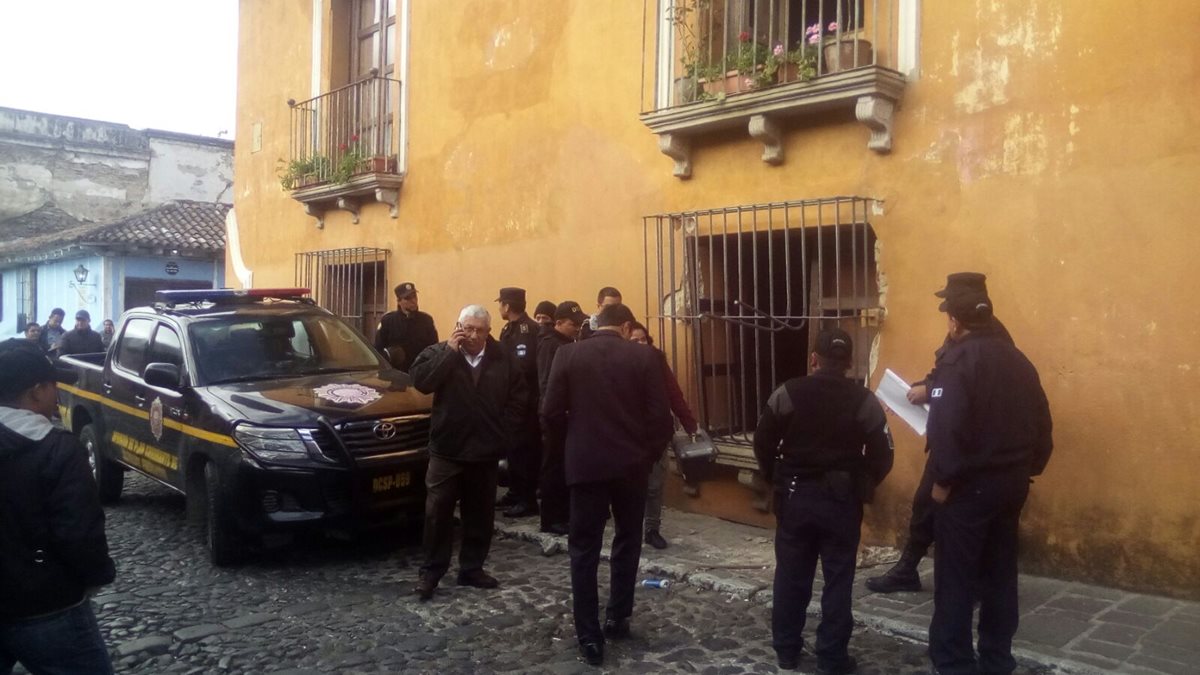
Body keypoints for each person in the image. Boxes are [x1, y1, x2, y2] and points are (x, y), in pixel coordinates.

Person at [924, 281, 1053, 675]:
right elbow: (1043, 424)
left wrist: (943, 480)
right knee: (1000, 574)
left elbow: (946, 429)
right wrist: (1027, 468)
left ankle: (954, 662)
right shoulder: (1020, 361)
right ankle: (997, 658)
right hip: (1012, 484)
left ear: (955, 322)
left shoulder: (958, 362)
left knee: (956, 578)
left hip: (969, 487)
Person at [753, 328, 894, 674]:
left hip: (795, 497)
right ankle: (832, 656)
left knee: (791, 576)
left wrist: (774, 478)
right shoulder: (863, 400)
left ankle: (787, 650)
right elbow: (883, 454)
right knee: (838, 580)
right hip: (841, 501)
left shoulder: (788, 392)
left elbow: (762, 442)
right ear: (849, 362)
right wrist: (864, 483)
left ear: (813, 359)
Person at [542, 303, 674, 666]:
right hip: (632, 466)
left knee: (584, 549)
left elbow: (550, 413)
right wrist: (646, 455)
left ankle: (589, 635)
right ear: (627, 326)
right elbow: (661, 420)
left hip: (585, 464)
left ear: (597, 324)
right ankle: (618, 616)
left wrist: (573, 445)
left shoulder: (568, 355)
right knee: (628, 541)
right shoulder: (645, 357)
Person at [866, 273, 1015, 594]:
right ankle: (909, 568)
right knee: (925, 504)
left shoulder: (990, 337)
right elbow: (947, 374)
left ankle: (972, 582)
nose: (946, 310)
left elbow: (975, 381)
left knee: (967, 515)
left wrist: (930, 388)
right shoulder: (962, 333)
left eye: (950, 301)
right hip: (951, 440)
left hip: (972, 445)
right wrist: (925, 388)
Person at [0, 338, 116, 674]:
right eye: (54, 387)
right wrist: (96, 575)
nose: (58, 395)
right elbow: (79, 533)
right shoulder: (57, 450)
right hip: (46, 606)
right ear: (36, 392)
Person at [408, 305, 527, 602]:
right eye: (468, 328)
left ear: (488, 332)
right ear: (458, 327)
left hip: (485, 450)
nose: (473, 335)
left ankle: (472, 568)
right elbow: (422, 382)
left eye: (480, 330)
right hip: (447, 449)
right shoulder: (439, 352)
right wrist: (449, 352)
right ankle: (431, 572)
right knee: (437, 513)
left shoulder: (503, 358)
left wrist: (503, 434)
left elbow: (519, 399)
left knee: (480, 513)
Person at [628, 321, 699, 550]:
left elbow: (674, 393)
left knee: (655, 485)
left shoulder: (657, 362)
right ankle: (629, 529)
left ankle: (652, 529)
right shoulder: (619, 365)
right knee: (630, 487)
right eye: (635, 341)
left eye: (644, 339)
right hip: (628, 434)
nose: (641, 344)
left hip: (657, 434)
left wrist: (690, 424)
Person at [535, 300, 587, 535]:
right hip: (554, 414)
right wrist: (554, 412)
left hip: (566, 414)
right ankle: (551, 518)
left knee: (564, 466)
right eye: (573, 324)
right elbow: (547, 382)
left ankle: (564, 514)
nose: (577, 328)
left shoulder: (567, 343)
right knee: (553, 467)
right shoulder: (551, 345)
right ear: (558, 323)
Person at [495, 287, 542, 518]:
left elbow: (523, 368)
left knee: (524, 452)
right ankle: (515, 492)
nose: (499, 308)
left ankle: (527, 499)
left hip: (525, 402)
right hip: (511, 402)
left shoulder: (527, 330)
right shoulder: (509, 329)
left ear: (507, 305)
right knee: (513, 450)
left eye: (500, 304)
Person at [374, 282, 439, 373]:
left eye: (414, 296)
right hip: (397, 374)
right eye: (408, 298)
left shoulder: (426, 320)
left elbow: (434, 348)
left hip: (420, 373)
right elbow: (378, 350)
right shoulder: (388, 321)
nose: (413, 301)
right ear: (399, 301)